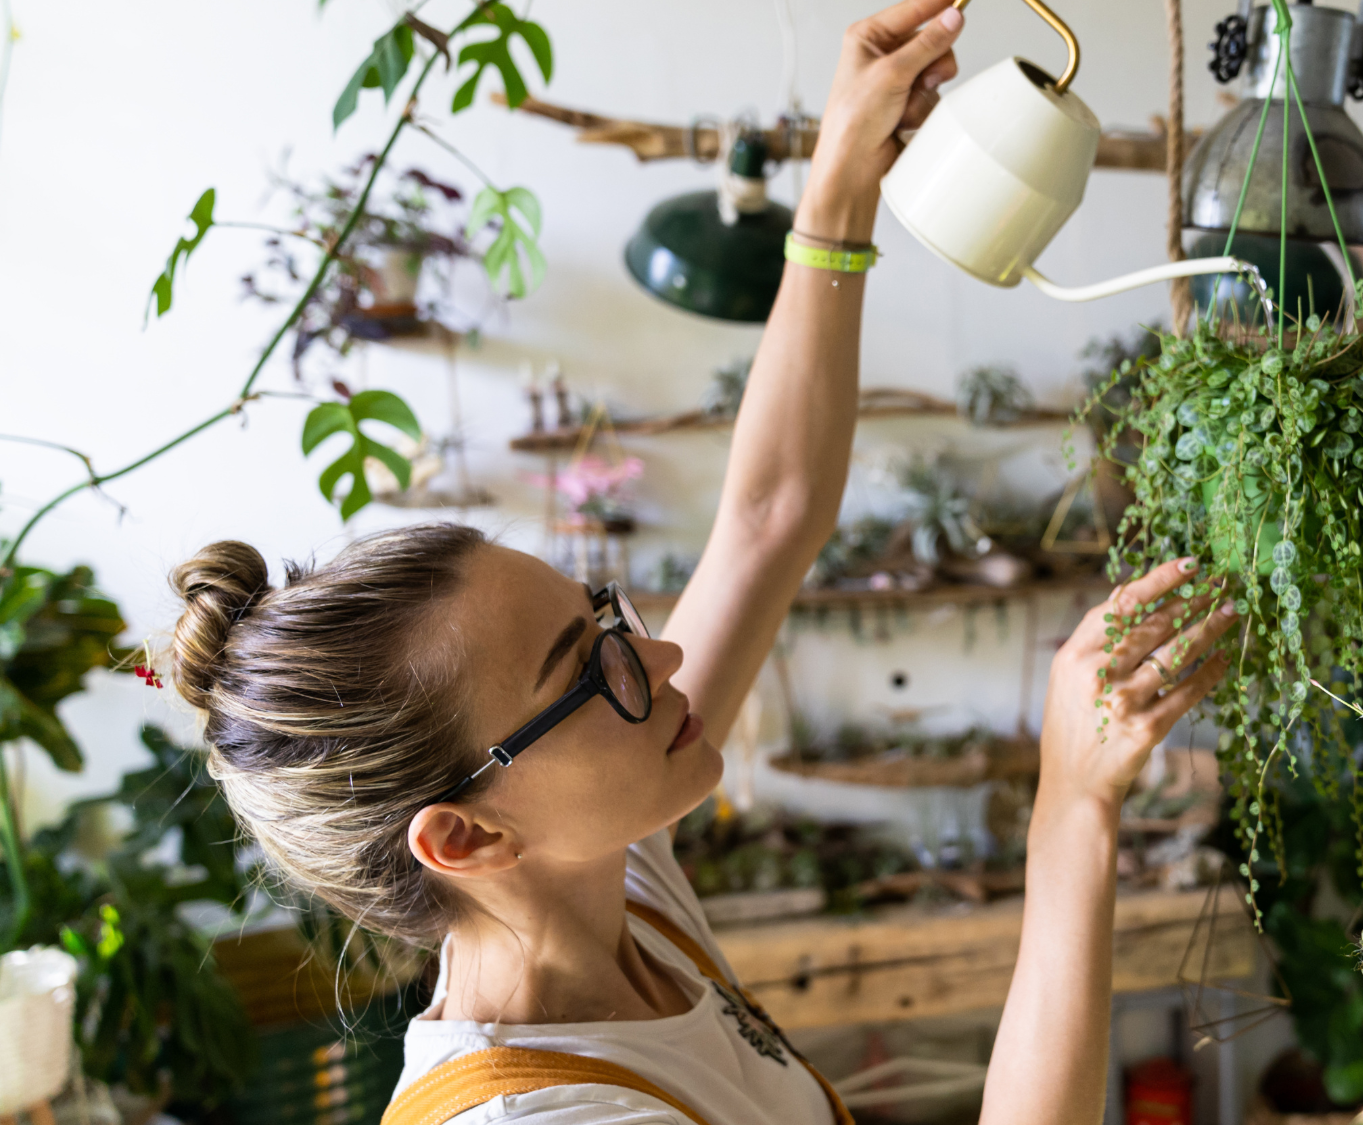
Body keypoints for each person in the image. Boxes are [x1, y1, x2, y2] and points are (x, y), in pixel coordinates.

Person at [164, 2, 1236, 1123]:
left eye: (607, 619)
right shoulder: (544, 1117)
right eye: (592, 671)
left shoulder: (611, 881)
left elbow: (768, 518)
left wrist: (838, 187)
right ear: (468, 836)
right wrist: (1071, 813)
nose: (663, 655)